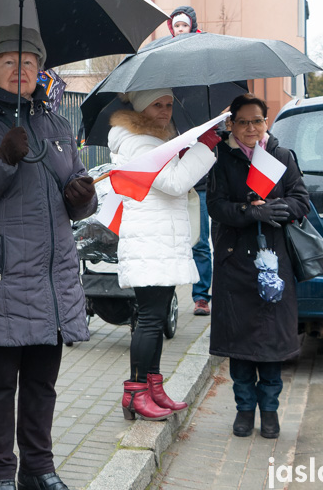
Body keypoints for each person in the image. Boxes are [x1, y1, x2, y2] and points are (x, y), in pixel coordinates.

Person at [0, 25, 96, 490]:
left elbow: (77, 192)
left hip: (52, 277)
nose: (21, 69)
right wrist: (0, 158)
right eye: (9, 61)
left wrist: (82, 196)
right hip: (2, 275)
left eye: (29, 61)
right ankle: (0, 476)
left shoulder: (54, 122)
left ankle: (38, 467)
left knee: (42, 383)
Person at [108, 89, 219, 422]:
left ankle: (153, 387)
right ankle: (135, 392)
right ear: (142, 107)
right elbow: (173, 182)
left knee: (155, 320)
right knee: (149, 320)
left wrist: (186, 150)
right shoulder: (137, 142)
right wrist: (203, 148)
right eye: (158, 104)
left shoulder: (153, 140)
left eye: (169, 104)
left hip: (161, 240)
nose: (166, 110)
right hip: (150, 242)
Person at [207, 93, 310, 439]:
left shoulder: (281, 156)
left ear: (267, 122)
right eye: (244, 122)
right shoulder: (222, 157)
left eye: (258, 121)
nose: (252, 128)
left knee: (271, 343)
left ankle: (270, 412)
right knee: (240, 344)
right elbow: (216, 205)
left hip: (273, 266)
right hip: (235, 263)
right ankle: (243, 409)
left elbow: (301, 198)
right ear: (232, 125)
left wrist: (280, 208)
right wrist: (249, 211)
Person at [166, 5, 213, 315]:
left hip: (200, 177)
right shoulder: (164, 59)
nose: (180, 29)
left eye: (184, 25)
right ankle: (167, 294)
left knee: (199, 239)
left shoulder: (202, 60)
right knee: (171, 238)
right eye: (176, 26)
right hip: (172, 171)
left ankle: (201, 296)